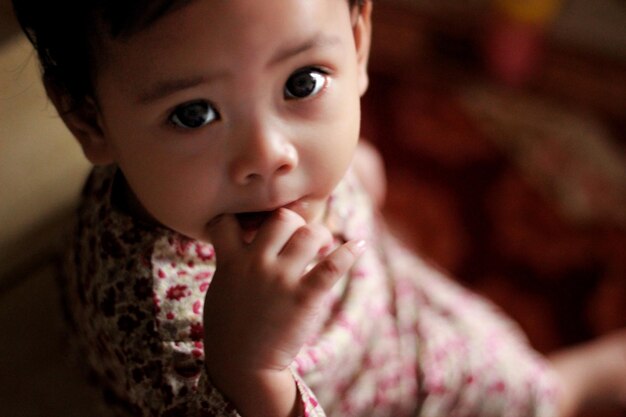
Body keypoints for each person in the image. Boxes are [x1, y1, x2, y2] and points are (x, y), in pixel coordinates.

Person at [11, 0, 625, 416]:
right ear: (89, 119)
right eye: (193, 114)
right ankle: (566, 387)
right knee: (519, 397)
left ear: (357, 46)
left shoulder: (214, 190)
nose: (269, 155)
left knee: (479, 343)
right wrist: (251, 373)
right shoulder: (166, 331)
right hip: (363, 397)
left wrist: (356, 175)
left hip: (394, 317)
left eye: (301, 82)